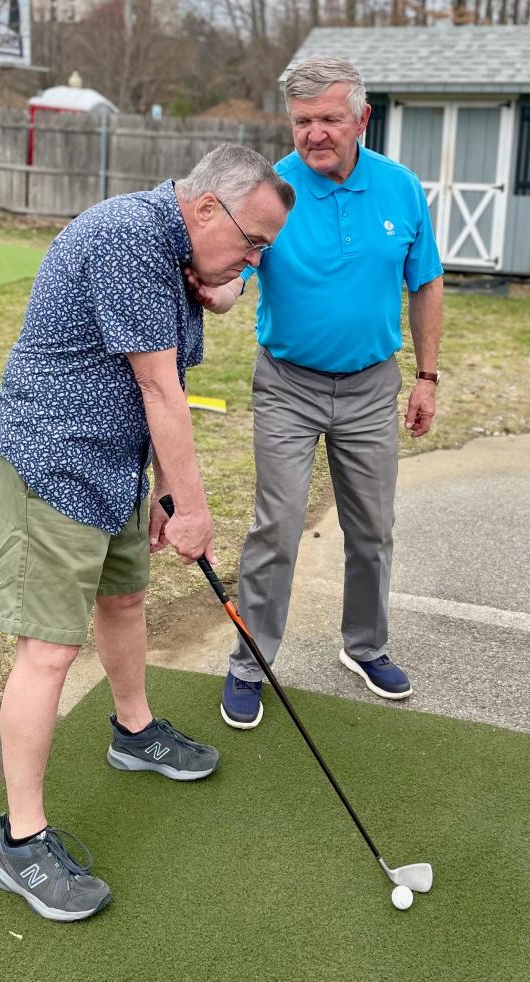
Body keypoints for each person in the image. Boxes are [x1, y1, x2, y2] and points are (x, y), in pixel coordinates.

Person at [0, 143, 295, 920]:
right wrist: (190, 507)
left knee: (122, 604)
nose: (253, 262)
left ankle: (134, 729)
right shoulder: (128, 237)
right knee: (47, 650)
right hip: (52, 460)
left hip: (113, 462)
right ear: (207, 207)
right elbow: (160, 388)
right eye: (251, 243)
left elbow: (171, 368)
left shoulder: (177, 248)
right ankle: (20, 843)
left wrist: (159, 485)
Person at [190, 56, 444, 730]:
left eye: (330, 118)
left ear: (362, 118)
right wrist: (215, 291)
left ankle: (365, 646)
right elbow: (234, 275)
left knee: (373, 529)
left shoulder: (400, 189)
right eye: (303, 121)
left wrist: (426, 376)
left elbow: (426, 283)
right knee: (275, 527)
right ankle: (251, 663)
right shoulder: (268, 190)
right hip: (288, 387)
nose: (315, 133)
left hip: (370, 388)